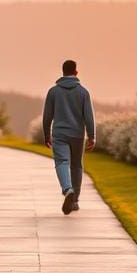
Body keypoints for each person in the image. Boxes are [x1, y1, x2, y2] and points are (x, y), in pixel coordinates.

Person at [42, 59, 95, 215]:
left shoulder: (53, 92)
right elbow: (89, 117)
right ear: (76, 72)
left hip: (59, 134)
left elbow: (47, 116)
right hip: (78, 135)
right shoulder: (83, 92)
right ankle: (75, 201)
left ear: (62, 72)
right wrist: (92, 136)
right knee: (77, 166)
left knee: (62, 162)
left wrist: (46, 134)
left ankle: (67, 189)